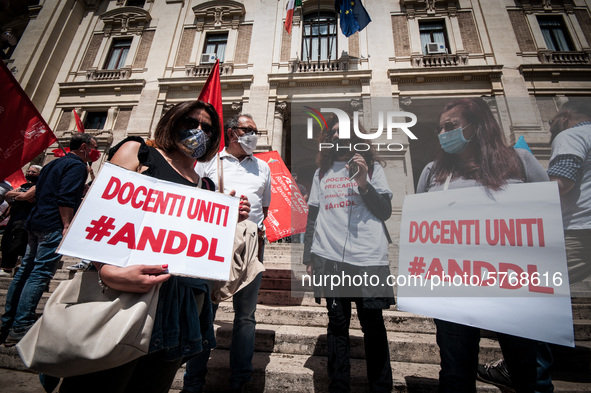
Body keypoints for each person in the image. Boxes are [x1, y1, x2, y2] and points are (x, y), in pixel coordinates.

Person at [57, 100, 250, 393]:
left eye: (207, 128)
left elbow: (194, 245)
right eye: (190, 122)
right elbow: (95, 216)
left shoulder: (207, 187)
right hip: (124, 296)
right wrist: (106, 271)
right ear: (172, 121)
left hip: (180, 305)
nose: (199, 131)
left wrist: (227, 219)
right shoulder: (138, 152)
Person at [415, 97, 550, 393]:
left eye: (450, 126)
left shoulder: (520, 162)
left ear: (478, 126)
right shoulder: (433, 172)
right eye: (440, 128)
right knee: (455, 375)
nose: (443, 133)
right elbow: (424, 230)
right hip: (454, 291)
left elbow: (548, 219)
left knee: (529, 376)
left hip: (513, 290)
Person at [478, 98, 591, 392]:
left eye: (553, 118)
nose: (551, 123)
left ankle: (527, 374)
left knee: (528, 295)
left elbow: (562, 182)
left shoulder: (571, 135)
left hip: (576, 231)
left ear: (564, 116)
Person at [302, 115, 394, 393]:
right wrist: (309, 257)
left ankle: (380, 386)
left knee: (373, 325)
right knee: (337, 325)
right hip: (329, 258)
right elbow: (312, 216)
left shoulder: (375, 168)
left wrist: (364, 182)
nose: (341, 138)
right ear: (329, 140)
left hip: (368, 259)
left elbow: (384, 211)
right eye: (335, 134)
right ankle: (338, 385)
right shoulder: (322, 172)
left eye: (347, 133)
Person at [183, 114, 271, 393]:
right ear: (232, 134)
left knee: (246, 315)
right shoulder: (210, 162)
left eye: (256, 131)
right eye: (250, 131)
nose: (255, 136)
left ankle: (240, 378)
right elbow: (194, 200)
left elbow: (264, 208)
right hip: (214, 243)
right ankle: (194, 380)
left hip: (252, 243)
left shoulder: (264, 167)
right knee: (206, 310)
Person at [0, 134, 97, 346]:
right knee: (41, 272)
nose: (94, 153)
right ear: (83, 147)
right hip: (52, 224)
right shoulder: (76, 166)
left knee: (25, 271)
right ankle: (21, 325)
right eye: (93, 148)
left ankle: (7, 323)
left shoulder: (54, 164)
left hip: (35, 222)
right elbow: (65, 198)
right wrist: (66, 225)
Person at [0, 165, 42, 277]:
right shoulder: (24, 185)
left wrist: (19, 196)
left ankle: (10, 266)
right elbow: (8, 195)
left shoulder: (39, 185)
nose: (30, 173)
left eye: (33, 172)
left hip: (25, 218)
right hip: (14, 217)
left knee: (17, 243)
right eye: (29, 171)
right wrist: (21, 195)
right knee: (6, 242)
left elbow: (22, 197)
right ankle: (5, 266)